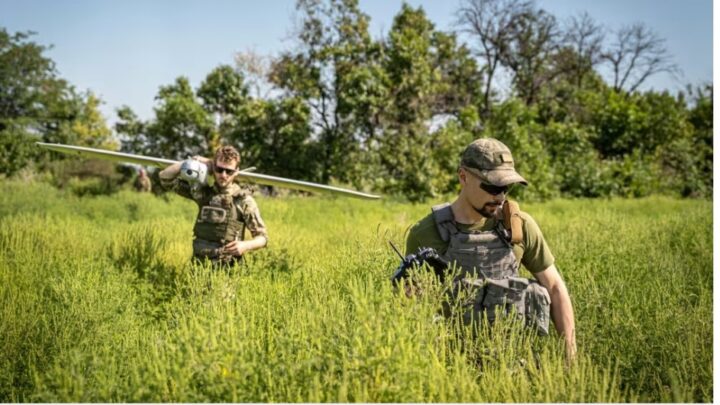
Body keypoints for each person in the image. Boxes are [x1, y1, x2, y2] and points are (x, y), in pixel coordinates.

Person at [405, 137, 576, 359]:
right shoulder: (426, 233)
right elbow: (410, 306)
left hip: (515, 363)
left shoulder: (519, 226)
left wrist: (571, 359)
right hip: (451, 363)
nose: (500, 197)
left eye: (506, 188)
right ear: (463, 177)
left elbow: (554, 287)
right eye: (492, 187)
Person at [159, 145, 268, 266]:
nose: (224, 175)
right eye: (219, 169)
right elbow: (165, 178)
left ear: (236, 171)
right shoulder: (203, 194)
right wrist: (189, 162)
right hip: (198, 267)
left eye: (229, 171)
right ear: (213, 167)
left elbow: (262, 238)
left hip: (227, 271)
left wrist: (245, 245)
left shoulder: (243, 200)